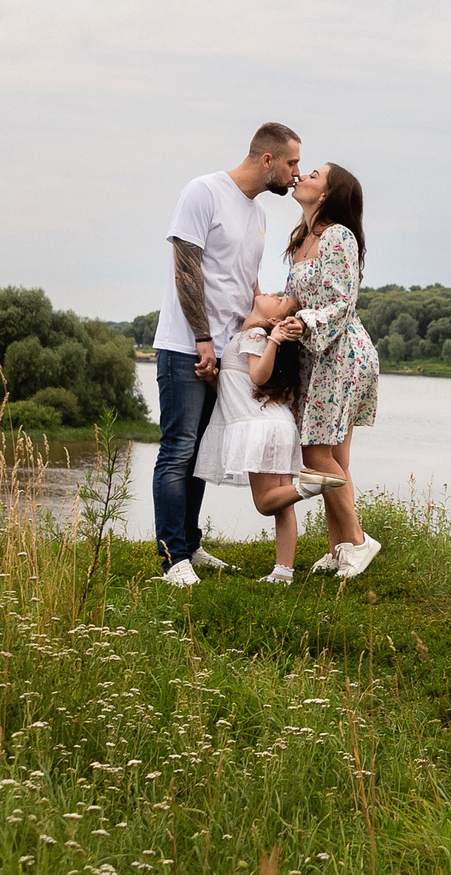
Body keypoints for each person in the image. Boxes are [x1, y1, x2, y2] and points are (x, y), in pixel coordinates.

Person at [152, 121, 303, 586]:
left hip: (228, 355)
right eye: (292, 163)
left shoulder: (258, 213)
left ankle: (190, 547)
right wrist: (202, 338)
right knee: (178, 450)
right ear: (267, 160)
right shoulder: (204, 192)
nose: (296, 174)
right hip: (186, 346)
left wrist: (268, 322)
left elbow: (247, 286)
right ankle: (172, 558)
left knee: (198, 452)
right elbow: (185, 268)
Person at [191, 293, 345, 583]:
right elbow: (239, 387)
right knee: (281, 506)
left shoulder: (255, 335)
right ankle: (283, 572)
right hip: (278, 425)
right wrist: (214, 379)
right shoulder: (251, 335)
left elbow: (258, 377)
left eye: (281, 299)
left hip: (260, 428)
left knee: (265, 503)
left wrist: (273, 338)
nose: (275, 294)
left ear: (276, 319)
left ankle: (310, 485)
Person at [285, 162, 380, 578]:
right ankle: (339, 547)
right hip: (315, 355)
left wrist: (304, 323)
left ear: (326, 194)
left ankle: (359, 541)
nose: (302, 175)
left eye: (313, 175)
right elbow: (293, 299)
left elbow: (341, 301)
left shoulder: (337, 236)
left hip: (339, 353)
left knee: (315, 452)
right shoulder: (302, 240)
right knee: (334, 456)